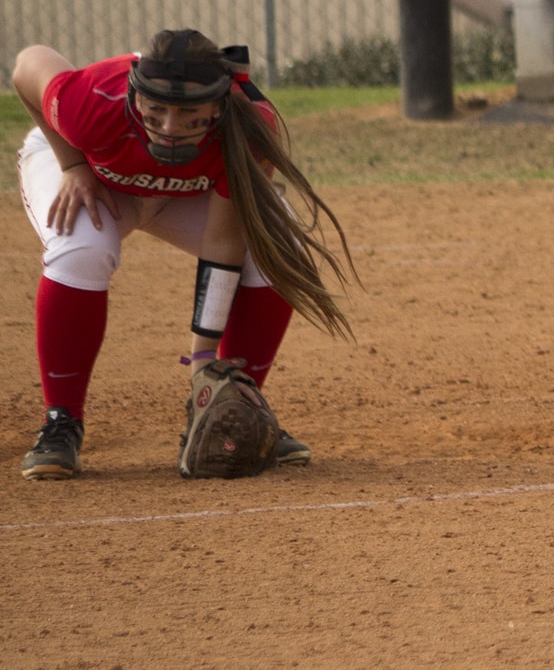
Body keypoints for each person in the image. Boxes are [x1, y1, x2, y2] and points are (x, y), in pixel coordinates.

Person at [14, 31, 354, 479]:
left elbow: (223, 242)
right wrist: (73, 165)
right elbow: (27, 66)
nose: (170, 128)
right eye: (156, 110)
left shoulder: (248, 128)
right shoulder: (95, 101)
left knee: (278, 243)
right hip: (98, 176)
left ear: (218, 106)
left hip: (183, 190)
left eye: (189, 113)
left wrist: (203, 363)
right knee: (81, 247)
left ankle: (233, 406)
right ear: (135, 96)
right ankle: (61, 422)